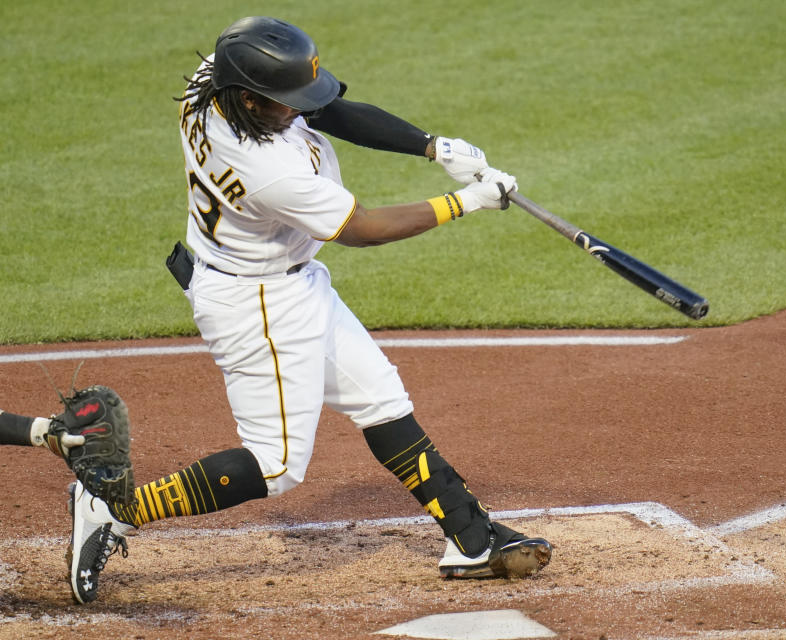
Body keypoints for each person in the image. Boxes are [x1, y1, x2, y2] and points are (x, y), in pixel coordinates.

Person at [66, 16, 552, 604]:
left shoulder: (216, 83)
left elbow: (326, 110)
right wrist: (466, 201)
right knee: (275, 466)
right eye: (285, 103)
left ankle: (471, 539)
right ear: (248, 98)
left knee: (380, 397)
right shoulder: (268, 171)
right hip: (257, 304)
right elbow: (366, 229)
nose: (299, 110)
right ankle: (111, 506)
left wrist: (431, 145)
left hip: (287, 282)